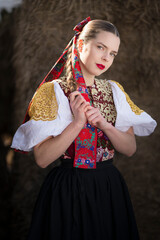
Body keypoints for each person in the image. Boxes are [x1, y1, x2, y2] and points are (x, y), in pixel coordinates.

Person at [11, 17, 157, 240]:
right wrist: (77, 123)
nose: (106, 58)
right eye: (101, 47)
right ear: (80, 45)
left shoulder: (115, 91)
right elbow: (42, 159)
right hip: (68, 188)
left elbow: (129, 149)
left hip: (108, 188)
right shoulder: (54, 91)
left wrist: (105, 126)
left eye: (112, 53)